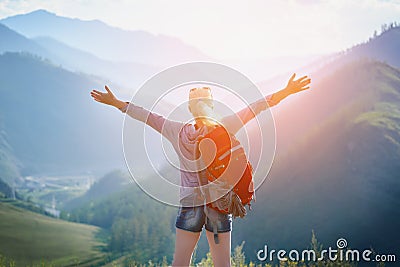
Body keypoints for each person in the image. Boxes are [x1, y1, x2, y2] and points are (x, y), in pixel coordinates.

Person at [90, 73, 311, 267]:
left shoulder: (176, 131)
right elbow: (256, 108)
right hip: (218, 204)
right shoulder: (223, 126)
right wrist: (286, 91)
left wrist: (117, 103)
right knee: (223, 264)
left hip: (190, 205)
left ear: (189, 107)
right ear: (211, 105)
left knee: (180, 263)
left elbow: (147, 117)